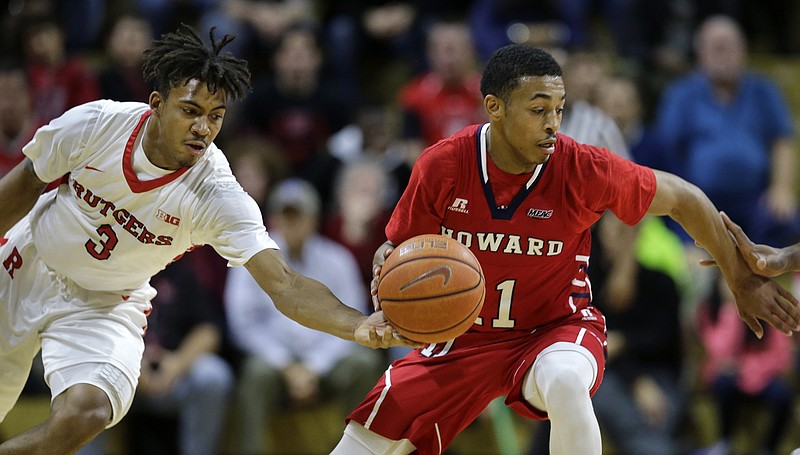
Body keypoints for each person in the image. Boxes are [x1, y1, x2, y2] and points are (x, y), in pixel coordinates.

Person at [329, 43, 800, 455]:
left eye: (559, 108)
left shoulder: (581, 167)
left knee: (567, 383)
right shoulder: (443, 165)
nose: (554, 123)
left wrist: (738, 275)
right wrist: (386, 272)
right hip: (460, 337)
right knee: (358, 445)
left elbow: (682, 197)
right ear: (494, 107)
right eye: (539, 110)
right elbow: (399, 249)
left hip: (553, 329)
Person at [0, 24, 413, 455]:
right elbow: (28, 180)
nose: (203, 127)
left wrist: (359, 324)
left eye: (215, 116)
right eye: (191, 110)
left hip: (103, 303)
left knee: (85, 414)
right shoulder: (98, 123)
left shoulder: (217, 194)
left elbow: (285, 284)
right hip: (27, 261)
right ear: (157, 104)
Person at [225, 178, 384, 454]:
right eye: (285, 216)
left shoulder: (338, 259)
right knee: (255, 374)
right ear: (272, 219)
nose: (291, 223)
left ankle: (357, 450)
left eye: (298, 216)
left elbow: (356, 321)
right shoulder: (250, 258)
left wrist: (313, 367)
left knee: (365, 363)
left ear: (313, 220)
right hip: (274, 362)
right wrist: (285, 365)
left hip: (325, 360)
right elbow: (243, 324)